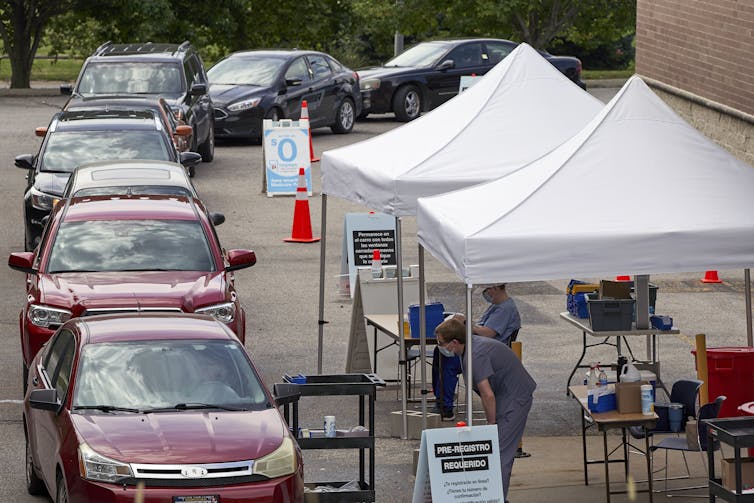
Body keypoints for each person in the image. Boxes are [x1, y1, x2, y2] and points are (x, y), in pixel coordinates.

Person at [435, 317, 536, 502]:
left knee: (500, 454)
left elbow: (487, 394)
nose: (439, 346)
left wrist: (491, 424)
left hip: (514, 397)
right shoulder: (469, 348)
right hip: (506, 394)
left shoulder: (476, 355)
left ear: (455, 342)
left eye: (441, 343)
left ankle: (497, 498)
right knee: (496, 450)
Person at [432, 284, 521, 420]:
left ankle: (445, 406)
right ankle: (441, 399)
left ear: (495, 288)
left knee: (449, 360)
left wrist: (466, 323)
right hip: (480, 348)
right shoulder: (497, 306)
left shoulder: (505, 309)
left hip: (488, 355)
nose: (486, 294)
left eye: (487, 291)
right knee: (439, 352)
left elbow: (488, 333)